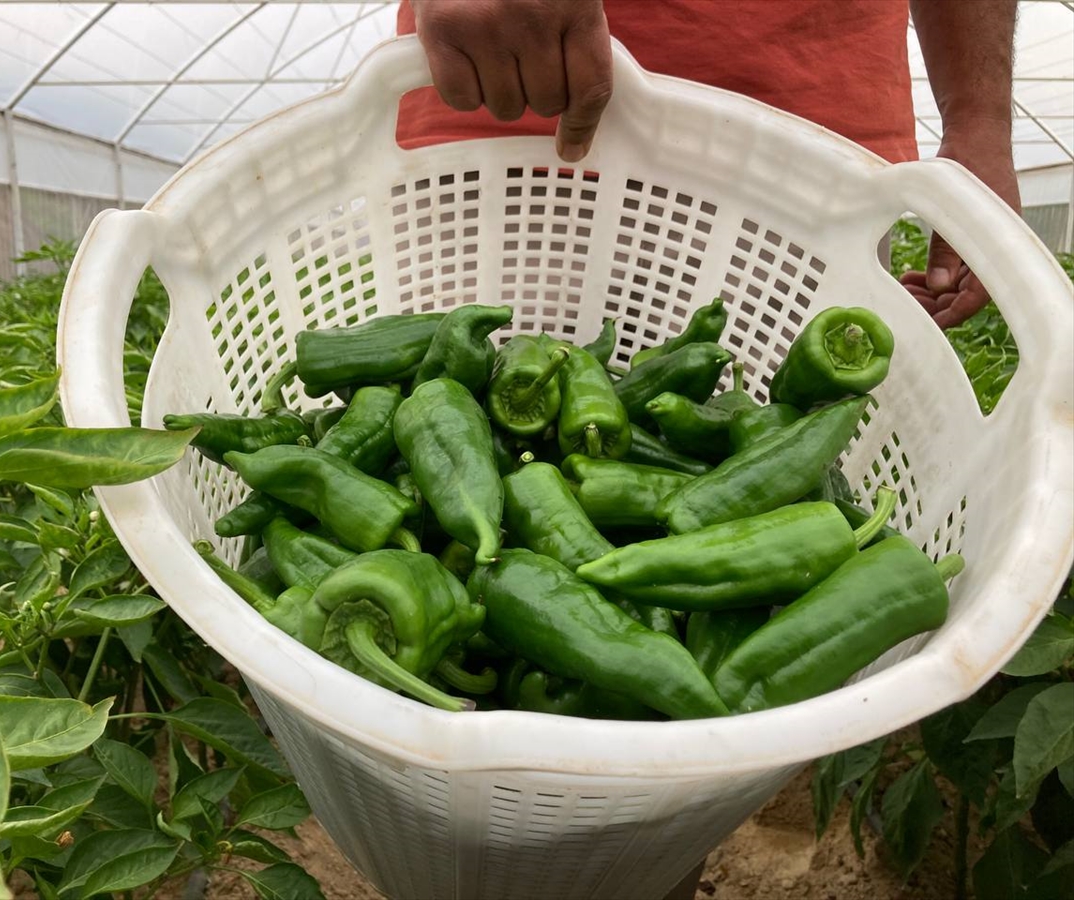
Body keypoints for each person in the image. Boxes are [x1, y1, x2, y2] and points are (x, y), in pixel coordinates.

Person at [396, 2, 1020, 897]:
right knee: (432, 787)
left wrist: (980, 121)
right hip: (521, 84)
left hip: (814, 147)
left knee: (670, 781)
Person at [396, 0, 1021, 330]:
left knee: (798, 478)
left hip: (811, 150)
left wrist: (979, 120)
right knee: (441, 411)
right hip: (518, 101)